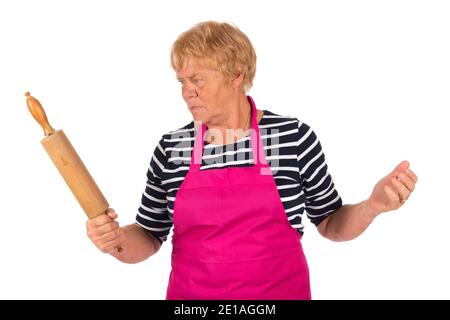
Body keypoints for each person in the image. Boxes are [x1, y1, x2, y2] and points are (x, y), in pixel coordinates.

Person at [86, 21, 417, 300]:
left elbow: (330, 222)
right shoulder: (173, 148)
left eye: (197, 79)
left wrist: (372, 205)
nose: (187, 92)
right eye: (182, 81)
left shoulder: (292, 137)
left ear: (236, 76)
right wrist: (115, 242)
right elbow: (149, 234)